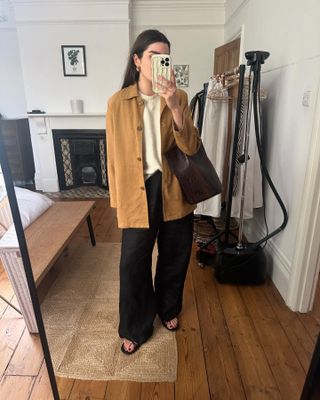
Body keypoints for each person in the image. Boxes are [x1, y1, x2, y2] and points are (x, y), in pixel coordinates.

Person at [106, 29, 201, 355]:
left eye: (165, 57)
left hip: (174, 187)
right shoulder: (117, 103)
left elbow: (190, 146)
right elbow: (113, 157)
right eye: (153, 56)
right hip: (136, 189)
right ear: (137, 60)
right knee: (132, 263)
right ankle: (135, 324)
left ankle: (168, 308)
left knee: (175, 255)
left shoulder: (180, 97)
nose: (161, 62)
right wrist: (117, 202)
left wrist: (174, 105)